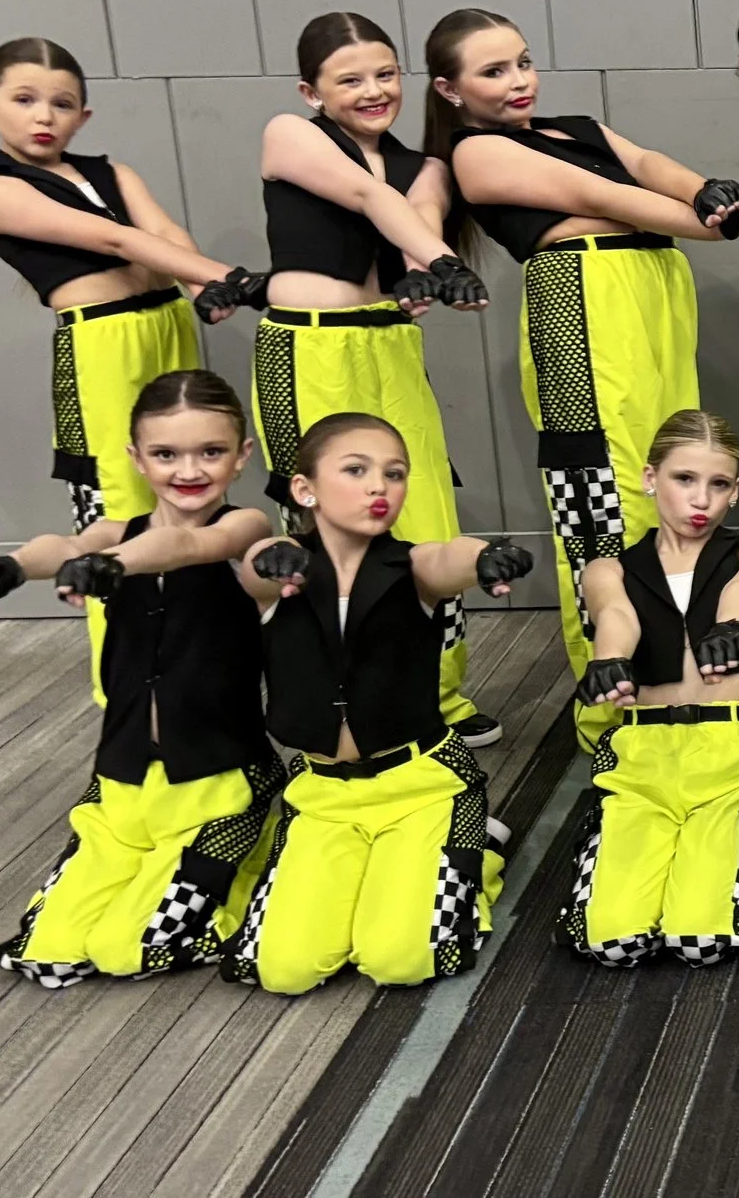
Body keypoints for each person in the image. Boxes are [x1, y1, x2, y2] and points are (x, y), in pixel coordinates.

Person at [430, 7, 739, 748]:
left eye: (522, 61)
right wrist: (705, 218)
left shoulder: (575, 126)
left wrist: (705, 187)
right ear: (450, 90)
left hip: (652, 291)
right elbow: (600, 196)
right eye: (493, 71)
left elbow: (645, 163)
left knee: (676, 474)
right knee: (604, 498)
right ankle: (612, 708)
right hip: (579, 300)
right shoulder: (474, 153)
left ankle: (681, 681)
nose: (518, 80)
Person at [0, 371, 283, 986]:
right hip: (124, 777)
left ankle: (254, 849)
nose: (189, 470)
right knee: (48, 947)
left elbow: (186, 547)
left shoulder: (244, 529)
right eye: (166, 454)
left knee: (126, 949)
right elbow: (61, 545)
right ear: (137, 458)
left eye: (211, 452)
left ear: (242, 456)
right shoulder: (112, 535)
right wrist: (11, 565)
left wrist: (109, 564)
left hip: (215, 781)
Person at [0, 37, 262, 698]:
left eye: (61, 103)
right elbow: (115, 238)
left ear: (84, 115)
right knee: (119, 507)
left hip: (167, 324)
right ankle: (129, 689)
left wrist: (201, 289)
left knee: (189, 498)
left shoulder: (111, 171)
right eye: (24, 99)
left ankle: (200, 666)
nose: (44, 115)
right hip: (101, 346)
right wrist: (234, 278)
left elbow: (166, 235)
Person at [224, 414, 534, 993]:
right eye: (356, 470)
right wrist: (272, 552)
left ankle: (475, 849)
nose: (379, 487)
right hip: (323, 795)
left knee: (401, 960)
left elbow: (449, 556)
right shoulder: (280, 569)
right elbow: (258, 564)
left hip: (418, 787)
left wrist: (485, 556)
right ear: (305, 489)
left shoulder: (413, 567)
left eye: (395, 474)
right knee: (283, 970)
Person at [255, 11, 499, 747]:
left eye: (386, 74)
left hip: (389, 345)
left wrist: (430, 268)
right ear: (312, 91)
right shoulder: (288, 133)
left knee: (422, 511)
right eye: (350, 79)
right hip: (307, 347)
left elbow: (415, 217)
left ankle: (437, 696)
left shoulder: (426, 165)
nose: (373, 91)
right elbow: (370, 200)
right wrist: (445, 263)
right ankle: (329, 700)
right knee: (319, 526)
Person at [560, 410, 739, 965]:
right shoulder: (607, 568)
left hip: (730, 751)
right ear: (650, 478)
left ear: (735, 492)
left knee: (703, 939)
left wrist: (732, 625)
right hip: (641, 756)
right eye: (684, 479)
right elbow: (615, 614)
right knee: (609, 942)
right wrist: (610, 660)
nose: (702, 500)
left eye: (719, 485)